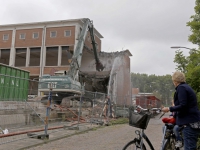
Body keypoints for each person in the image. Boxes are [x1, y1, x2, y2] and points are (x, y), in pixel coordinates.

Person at [162, 71, 200, 150]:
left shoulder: (181, 88)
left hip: (189, 124)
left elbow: (183, 105)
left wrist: (169, 108)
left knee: (189, 148)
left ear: (175, 81)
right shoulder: (186, 87)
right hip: (192, 122)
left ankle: (178, 142)